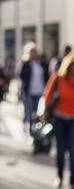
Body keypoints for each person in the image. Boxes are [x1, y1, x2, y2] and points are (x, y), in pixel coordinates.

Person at [41, 52, 74, 188]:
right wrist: (43, 111)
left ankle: (72, 181)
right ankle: (59, 176)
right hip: (59, 118)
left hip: (73, 120)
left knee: (73, 150)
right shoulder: (58, 79)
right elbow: (46, 96)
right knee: (60, 149)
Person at [19, 42, 49, 136]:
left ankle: (40, 132)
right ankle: (33, 134)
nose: (33, 53)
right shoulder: (26, 64)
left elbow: (47, 77)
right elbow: (22, 79)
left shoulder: (42, 63)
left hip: (40, 91)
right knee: (31, 113)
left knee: (40, 112)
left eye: (34, 51)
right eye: (31, 51)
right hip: (29, 92)